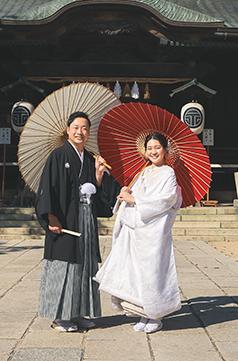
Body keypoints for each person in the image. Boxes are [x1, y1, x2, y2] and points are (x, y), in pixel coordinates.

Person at [35, 111, 117, 332]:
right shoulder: (58, 156)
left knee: (85, 264)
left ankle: (79, 313)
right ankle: (61, 316)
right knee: (65, 266)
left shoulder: (90, 159)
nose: (80, 132)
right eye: (76, 127)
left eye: (85, 128)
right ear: (68, 129)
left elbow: (98, 192)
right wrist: (50, 216)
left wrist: (99, 175)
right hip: (65, 219)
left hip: (86, 219)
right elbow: (47, 188)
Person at [94, 132, 183, 333]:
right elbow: (131, 195)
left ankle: (156, 316)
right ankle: (143, 312)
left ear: (165, 150)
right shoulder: (143, 172)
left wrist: (136, 200)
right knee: (135, 273)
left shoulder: (168, 173)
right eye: (149, 148)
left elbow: (166, 200)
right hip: (135, 230)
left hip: (153, 231)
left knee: (152, 273)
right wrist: (125, 193)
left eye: (157, 148)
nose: (153, 152)